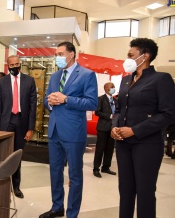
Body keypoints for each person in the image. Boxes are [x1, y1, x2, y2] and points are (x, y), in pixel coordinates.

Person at [111, 38, 175, 218]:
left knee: (145, 191)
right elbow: (119, 108)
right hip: (123, 143)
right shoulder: (125, 80)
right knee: (125, 190)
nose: (127, 58)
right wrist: (115, 127)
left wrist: (135, 130)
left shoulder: (161, 79)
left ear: (144, 56)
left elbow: (168, 114)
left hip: (147, 144)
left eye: (131, 55)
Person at [40, 41, 98, 218]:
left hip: (73, 132)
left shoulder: (87, 75)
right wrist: (49, 101)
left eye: (60, 54)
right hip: (54, 131)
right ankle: (57, 207)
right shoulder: (55, 76)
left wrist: (66, 99)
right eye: (56, 54)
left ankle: (72, 213)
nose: (57, 57)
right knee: (55, 172)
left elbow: (92, 102)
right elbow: (46, 100)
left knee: (74, 175)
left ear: (71, 54)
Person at [0, 55, 37, 198]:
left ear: (20, 64)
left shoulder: (29, 81)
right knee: (4, 154)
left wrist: (30, 128)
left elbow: (32, 106)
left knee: (17, 154)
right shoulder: (2, 82)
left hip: (21, 122)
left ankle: (16, 186)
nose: (15, 67)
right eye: (12, 65)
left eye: (17, 64)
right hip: (6, 121)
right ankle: (2, 183)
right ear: (8, 66)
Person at [93, 82, 117, 178]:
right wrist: (109, 116)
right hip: (103, 127)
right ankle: (96, 168)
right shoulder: (101, 99)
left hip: (112, 128)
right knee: (100, 148)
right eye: (112, 87)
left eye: (114, 87)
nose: (113, 88)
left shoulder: (115, 100)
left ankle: (106, 167)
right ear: (106, 89)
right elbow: (97, 112)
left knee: (110, 149)